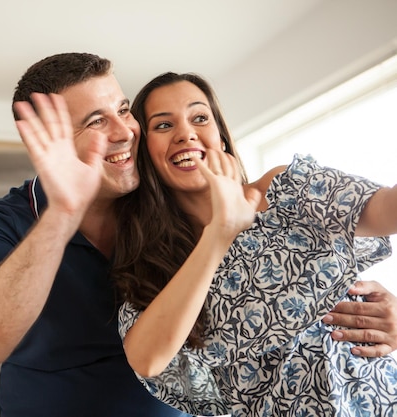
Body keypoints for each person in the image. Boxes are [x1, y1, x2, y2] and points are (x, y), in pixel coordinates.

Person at [0, 53, 397, 416]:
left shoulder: (170, 217)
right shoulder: (11, 222)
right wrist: (64, 212)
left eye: (123, 111)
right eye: (97, 121)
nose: (124, 133)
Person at [112, 71, 397, 416]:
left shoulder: (285, 190)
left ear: (221, 137)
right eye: (163, 126)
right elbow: (146, 359)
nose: (186, 133)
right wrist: (221, 230)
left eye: (199, 117)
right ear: (145, 154)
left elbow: (386, 209)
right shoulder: (154, 268)